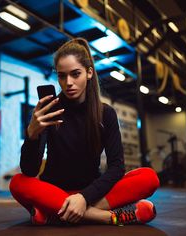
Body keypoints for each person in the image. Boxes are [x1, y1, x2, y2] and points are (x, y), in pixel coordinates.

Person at [9, 37, 160, 226]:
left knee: (149, 177)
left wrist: (83, 197)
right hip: (54, 190)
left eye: (75, 74)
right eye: (62, 76)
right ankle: (107, 216)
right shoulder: (50, 110)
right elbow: (29, 171)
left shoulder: (106, 113)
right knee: (17, 182)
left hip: (91, 192)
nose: (68, 82)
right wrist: (31, 134)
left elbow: (116, 167)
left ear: (89, 73)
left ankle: (53, 212)